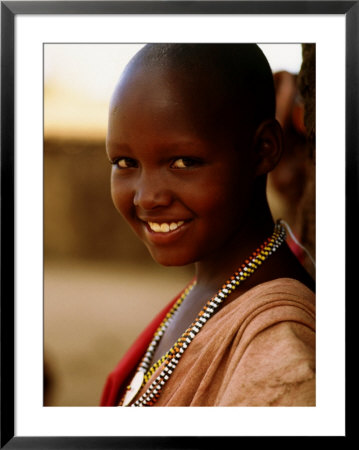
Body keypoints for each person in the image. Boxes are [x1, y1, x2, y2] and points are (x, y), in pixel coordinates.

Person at [100, 44, 315, 407]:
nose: (146, 197)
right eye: (125, 162)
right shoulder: (210, 287)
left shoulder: (279, 357)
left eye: (184, 162)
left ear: (263, 149)